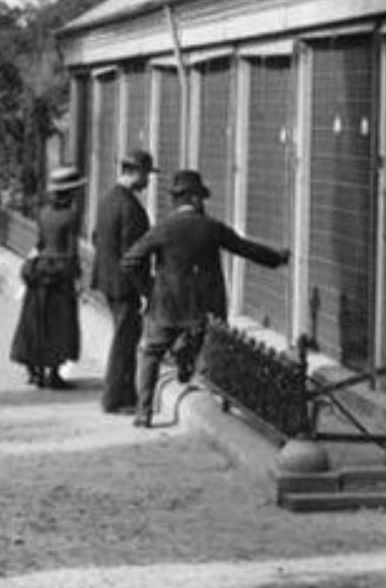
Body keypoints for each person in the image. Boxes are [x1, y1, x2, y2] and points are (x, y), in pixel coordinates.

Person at [122, 168, 289, 428]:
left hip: (165, 307)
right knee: (204, 349)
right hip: (202, 308)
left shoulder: (162, 229)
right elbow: (245, 248)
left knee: (151, 353)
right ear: (195, 199)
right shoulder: (210, 228)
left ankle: (143, 412)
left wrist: (149, 290)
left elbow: (130, 261)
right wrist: (277, 258)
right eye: (202, 198)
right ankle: (209, 399)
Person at [91, 148, 156, 414]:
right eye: (147, 174)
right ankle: (114, 398)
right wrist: (145, 290)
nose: (149, 181)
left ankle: (123, 393)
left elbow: (97, 238)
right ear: (135, 172)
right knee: (124, 341)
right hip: (125, 284)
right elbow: (133, 256)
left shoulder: (107, 199)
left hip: (107, 279)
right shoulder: (130, 207)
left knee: (123, 337)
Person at [9, 166, 84, 389]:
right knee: (60, 323)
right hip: (61, 273)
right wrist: (77, 276)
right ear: (70, 192)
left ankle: (36, 370)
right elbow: (72, 249)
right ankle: (54, 373)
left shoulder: (43, 213)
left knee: (37, 320)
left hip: (41, 269)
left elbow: (40, 243)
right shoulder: (71, 216)